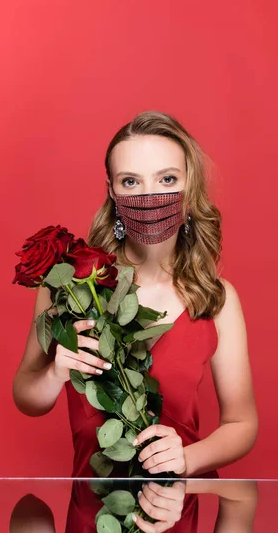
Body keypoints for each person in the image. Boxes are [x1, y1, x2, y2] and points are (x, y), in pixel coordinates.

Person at [13, 110, 258, 485]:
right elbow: (26, 397)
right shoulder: (70, 287)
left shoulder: (217, 299)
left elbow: (242, 423)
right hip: (89, 516)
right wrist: (56, 372)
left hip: (177, 506)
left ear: (188, 187)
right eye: (131, 181)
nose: (149, 195)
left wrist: (187, 458)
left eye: (167, 179)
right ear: (112, 189)